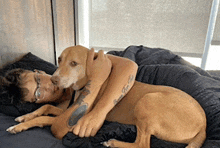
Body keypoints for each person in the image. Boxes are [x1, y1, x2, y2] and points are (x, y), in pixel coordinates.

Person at [1, 48, 138, 137]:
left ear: (40, 71)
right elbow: (59, 130)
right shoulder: (63, 109)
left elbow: (129, 66)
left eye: (38, 79)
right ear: (36, 102)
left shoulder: (77, 65)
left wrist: (99, 113)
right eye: (38, 93)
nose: (47, 86)